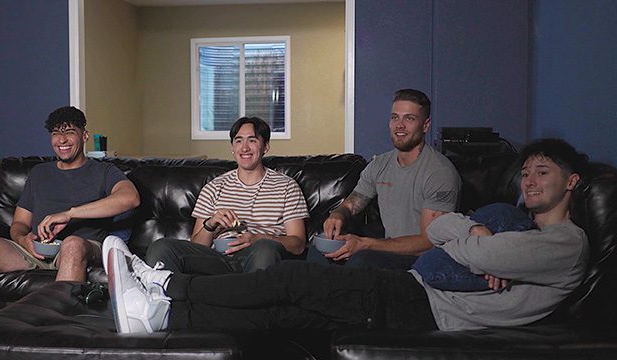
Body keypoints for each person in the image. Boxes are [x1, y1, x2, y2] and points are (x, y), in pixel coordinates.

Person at [105, 138, 589, 333]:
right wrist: (477, 237)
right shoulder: (514, 223)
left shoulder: (567, 244)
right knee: (284, 311)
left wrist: (479, 248)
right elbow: (442, 226)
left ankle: (167, 289)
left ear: (571, 183)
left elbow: (455, 238)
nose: (528, 180)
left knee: (290, 283)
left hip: (425, 306)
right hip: (419, 290)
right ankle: (163, 315)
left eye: (541, 172)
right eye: (524, 172)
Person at [0, 106, 140, 319]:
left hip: (82, 247)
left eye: (69, 132)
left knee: (72, 243)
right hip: (37, 251)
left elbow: (131, 198)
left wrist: (70, 214)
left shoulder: (104, 171)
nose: (61, 140)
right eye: (56, 133)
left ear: (85, 135)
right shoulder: (39, 173)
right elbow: (18, 223)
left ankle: (54, 324)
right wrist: (23, 239)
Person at [310, 88, 460, 269]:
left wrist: (365, 244)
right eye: (395, 117)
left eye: (409, 118)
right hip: (388, 245)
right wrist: (338, 214)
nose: (400, 125)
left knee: (361, 261)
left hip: (422, 258)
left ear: (426, 125)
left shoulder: (439, 172)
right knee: (318, 251)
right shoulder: (380, 164)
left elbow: (429, 242)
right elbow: (353, 203)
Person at [143, 116, 309, 274]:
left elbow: (298, 244)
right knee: (161, 247)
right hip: (217, 260)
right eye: (238, 141)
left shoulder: (286, 186)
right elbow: (198, 245)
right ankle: (167, 297)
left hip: (259, 256)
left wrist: (261, 238)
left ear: (265, 146)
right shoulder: (214, 187)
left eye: (252, 140)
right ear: (232, 148)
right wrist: (210, 223)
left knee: (265, 249)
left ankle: (248, 297)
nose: (244, 148)